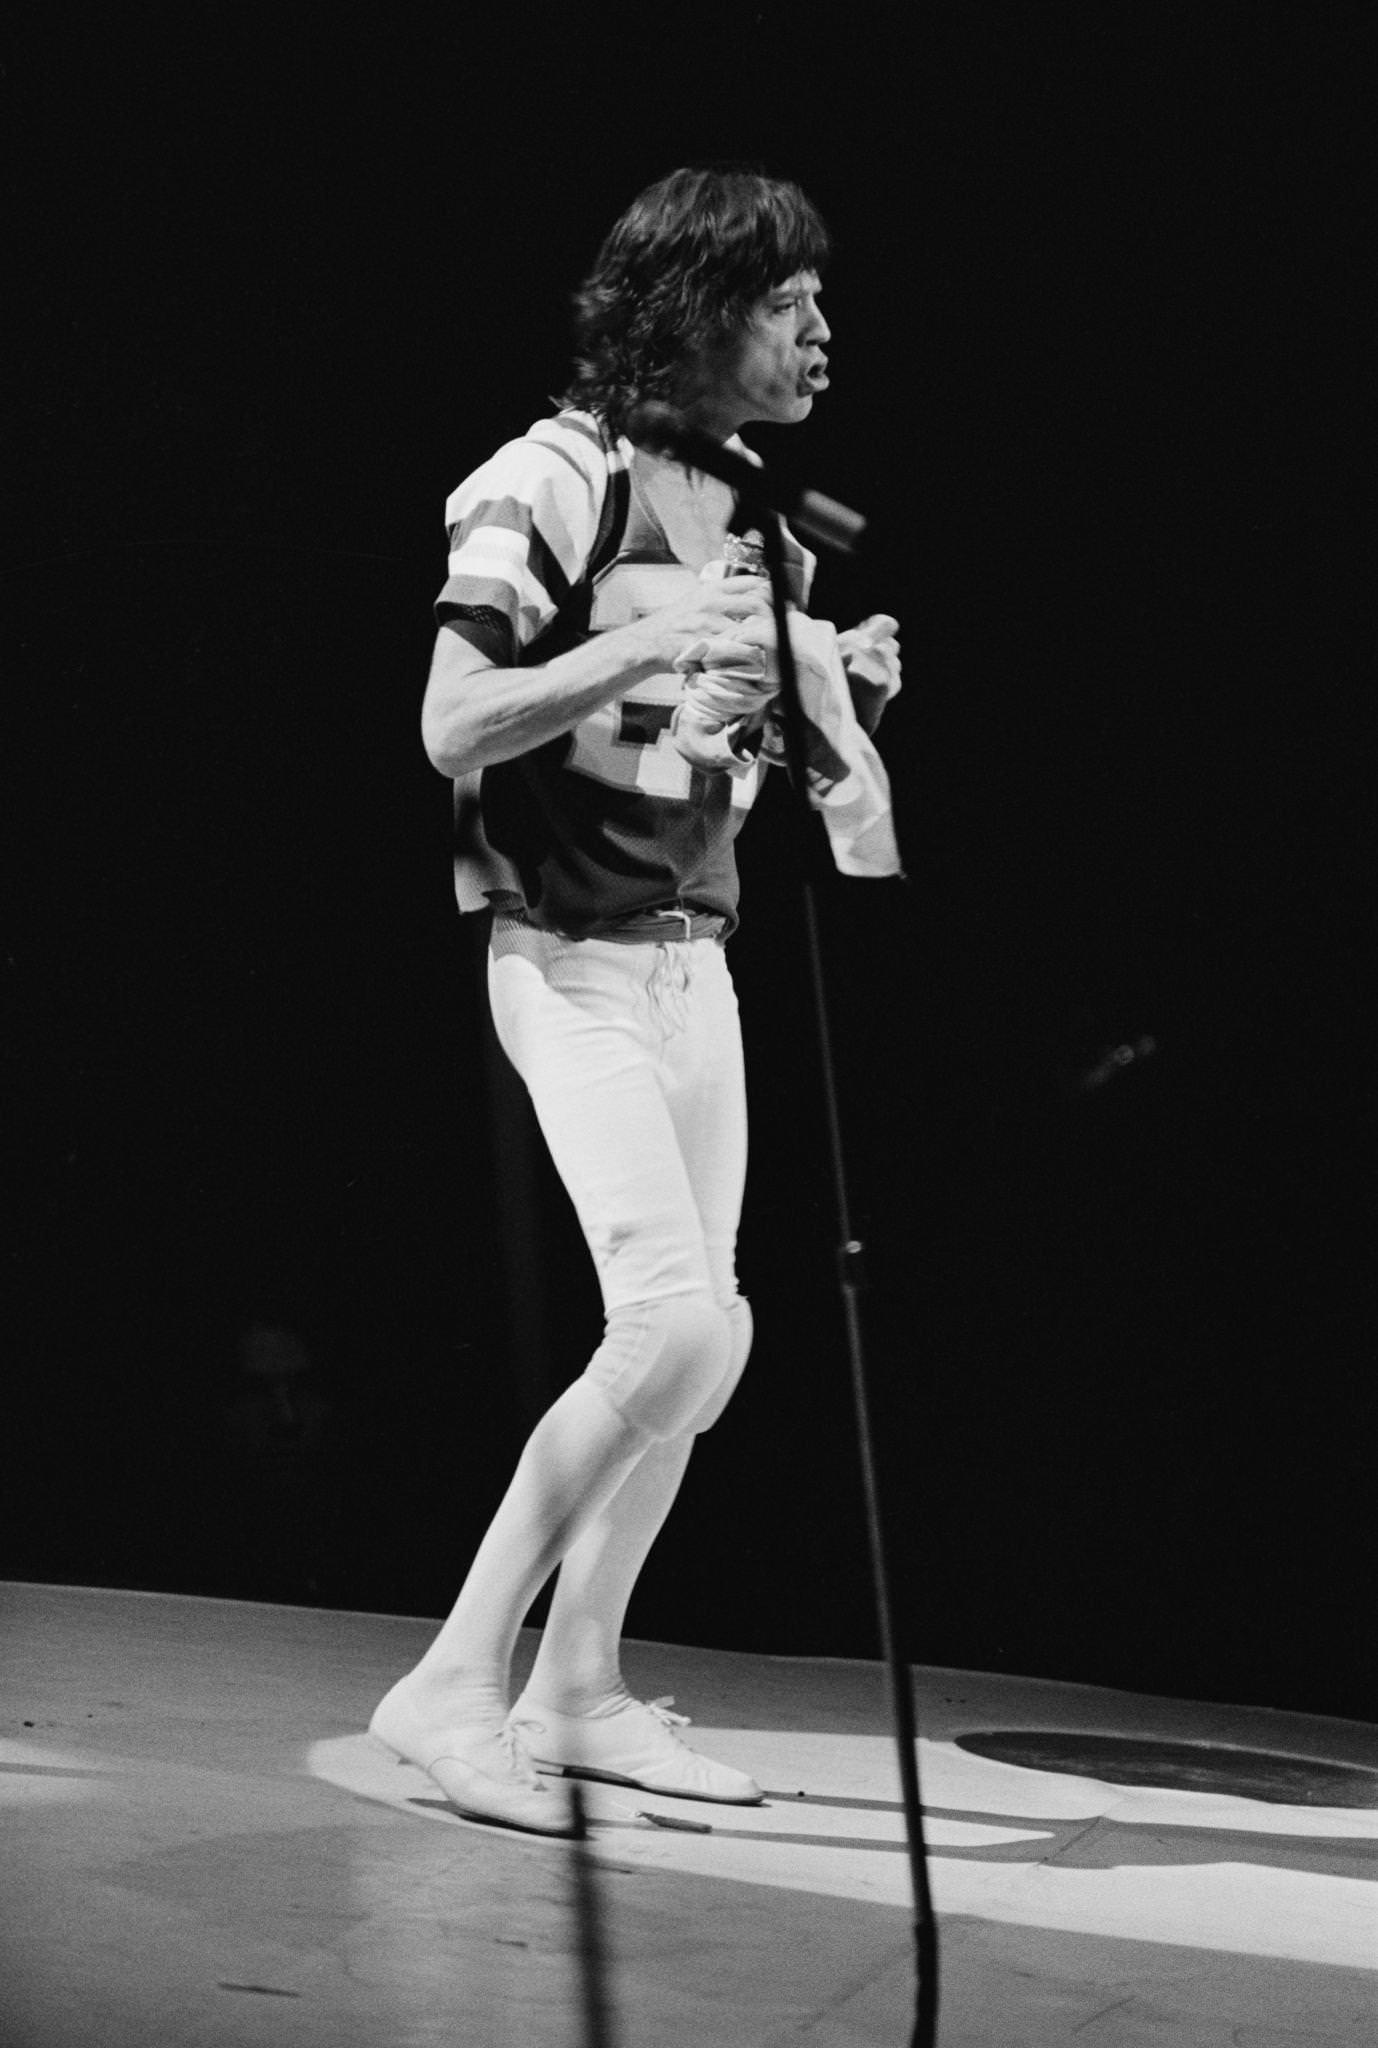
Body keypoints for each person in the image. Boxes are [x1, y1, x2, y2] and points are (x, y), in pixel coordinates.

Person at [370, 165, 901, 1834]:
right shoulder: (545, 480)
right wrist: (644, 641)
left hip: (696, 959)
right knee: (667, 1321)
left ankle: (579, 1685)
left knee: (713, 1335)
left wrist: (828, 687)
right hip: (565, 955)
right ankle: (452, 1683)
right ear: (693, 311)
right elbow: (457, 726)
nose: (819, 328)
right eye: (783, 299)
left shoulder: (747, 512)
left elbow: (712, 753)